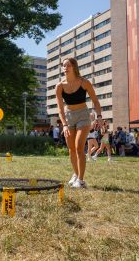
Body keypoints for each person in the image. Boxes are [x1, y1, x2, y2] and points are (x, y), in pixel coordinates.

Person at [55, 57, 101, 189]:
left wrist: (99, 116)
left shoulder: (84, 82)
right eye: (64, 66)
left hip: (83, 115)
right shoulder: (59, 86)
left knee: (79, 147)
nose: (65, 68)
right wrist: (64, 124)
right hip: (68, 117)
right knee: (71, 150)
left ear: (74, 67)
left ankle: (81, 180)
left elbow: (96, 101)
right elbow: (60, 109)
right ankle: (75, 174)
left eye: (68, 65)